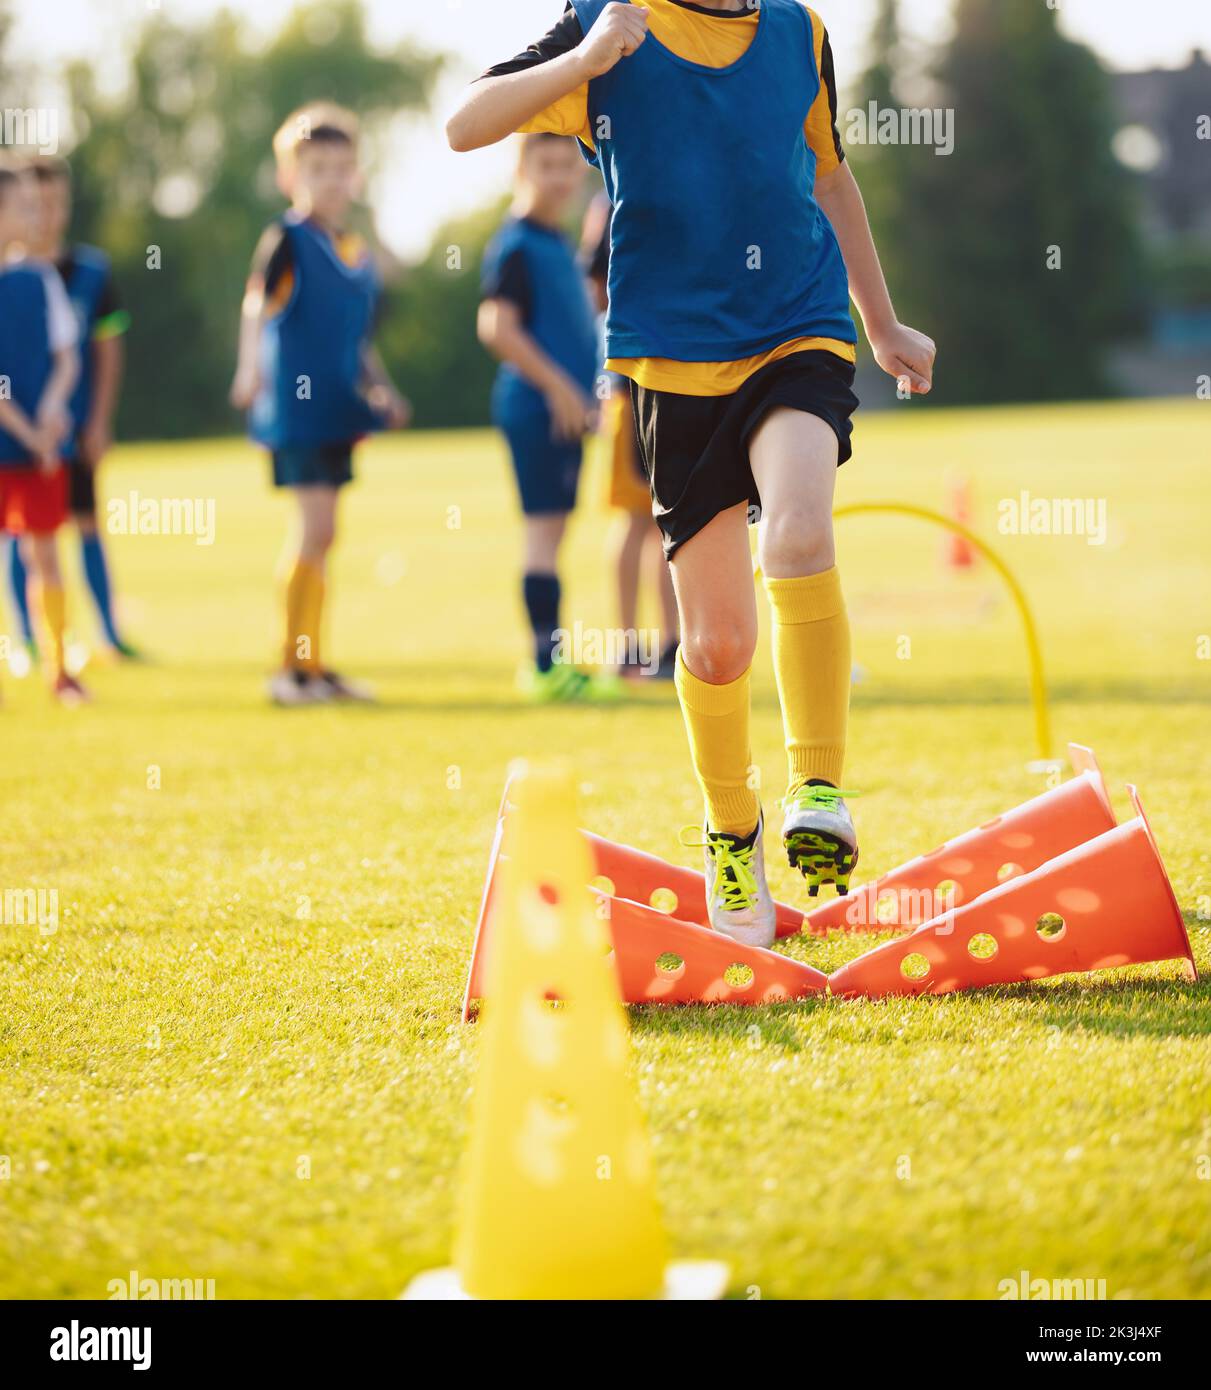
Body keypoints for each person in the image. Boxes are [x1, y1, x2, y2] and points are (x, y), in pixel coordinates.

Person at [449, 1, 936, 944]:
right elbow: (464, 125)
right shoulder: (607, 24)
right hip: (671, 361)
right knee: (715, 646)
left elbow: (832, 181)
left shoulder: (802, 34)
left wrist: (879, 325)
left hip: (798, 327)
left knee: (797, 532)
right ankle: (730, 828)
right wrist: (586, 60)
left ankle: (818, 786)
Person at [230, 102, 410, 706]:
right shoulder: (286, 238)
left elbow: (355, 338)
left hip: (337, 410)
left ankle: (314, 663)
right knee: (314, 531)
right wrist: (249, 369)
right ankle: (289, 670)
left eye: (341, 168)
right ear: (290, 177)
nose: (331, 180)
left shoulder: (354, 251)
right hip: (297, 412)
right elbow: (256, 305)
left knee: (326, 537)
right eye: (317, 169)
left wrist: (380, 387)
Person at [478, 132, 613, 702]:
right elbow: (497, 329)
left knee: (555, 533)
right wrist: (560, 389)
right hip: (535, 409)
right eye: (546, 164)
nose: (558, 176)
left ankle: (554, 663)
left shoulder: (558, 242)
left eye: (567, 165)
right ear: (521, 168)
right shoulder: (516, 244)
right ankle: (543, 667)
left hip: (568, 412)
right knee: (541, 534)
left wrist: (591, 394)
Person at [8, 157, 137, 665]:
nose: (46, 214)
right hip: (15, 431)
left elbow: (107, 347)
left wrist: (98, 420)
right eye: (33, 204)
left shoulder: (90, 271)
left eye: (56, 202)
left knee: (84, 521)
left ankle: (107, 632)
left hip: (69, 426)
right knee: (20, 534)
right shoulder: (13, 277)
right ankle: (29, 640)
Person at [581, 191, 678, 680]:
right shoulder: (617, 196)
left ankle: (671, 643)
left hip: (673, 383)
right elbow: (596, 285)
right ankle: (627, 646)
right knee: (639, 522)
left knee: (668, 522)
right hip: (629, 386)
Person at [0, 164, 85, 703]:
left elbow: (67, 358)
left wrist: (51, 412)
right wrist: (26, 431)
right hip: (16, 439)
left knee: (44, 554)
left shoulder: (39, 280)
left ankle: (59, 669)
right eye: (22, 207)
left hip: (36, 447)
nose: (36, 217)